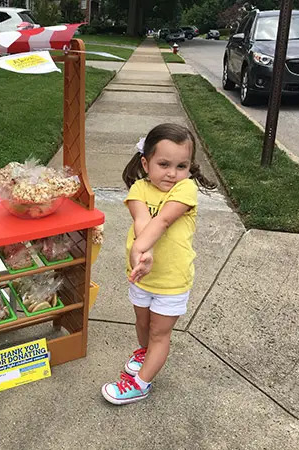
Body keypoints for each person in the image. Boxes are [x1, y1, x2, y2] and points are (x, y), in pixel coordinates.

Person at [101, 123, 216, 405]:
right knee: (142, 323)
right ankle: (144, 353)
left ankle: (140, 384)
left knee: (159, 332)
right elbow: (143, 220)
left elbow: (163, 220)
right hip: (141, 275)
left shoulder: (186, 189)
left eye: (181, 165)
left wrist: (140, 248)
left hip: (171, 280)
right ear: (146, 162)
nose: (172, 173)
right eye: (163, 164)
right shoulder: (139, 188)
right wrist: (146, 253)